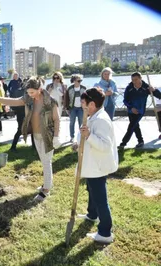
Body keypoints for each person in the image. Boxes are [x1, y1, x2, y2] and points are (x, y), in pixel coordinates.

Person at [0, 76, 61, 201]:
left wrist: (56, 136)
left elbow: (56, 119)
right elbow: (14, 101)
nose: (30, 95)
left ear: (39, 89)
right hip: (36, 135)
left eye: (32, 92)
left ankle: (46, 190)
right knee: (44, 161)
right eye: (28, 92)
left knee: (46, 162)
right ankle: (47, 183)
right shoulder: (29, 98)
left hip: (48, 136)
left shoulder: (51, 101)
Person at [74, 87, 118, 244]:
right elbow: (84, 135)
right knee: (91, 190)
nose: (82, 106)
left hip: (98, 166)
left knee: (100, 198)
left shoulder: (101, 120)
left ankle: (105, 232)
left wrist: (89, 136)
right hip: (92, 165)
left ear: (92, 104)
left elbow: (105, 145)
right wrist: (78, 141)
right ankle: (92, 214)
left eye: (84, 103)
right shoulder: (92, 116)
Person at [119, 72, 161, 149]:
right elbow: (125, 100)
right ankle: (140, 141)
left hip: (140, 111)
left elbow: (159, 96)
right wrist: (131, 107)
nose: (134, 81)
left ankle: (123, 143)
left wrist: (154, 90)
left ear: (141, 78)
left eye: (136, 79)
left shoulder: (146, 87)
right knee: (135, 126)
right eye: (132, 80)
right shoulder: (129, 88)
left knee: (131, 126)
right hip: (131, 111)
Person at [64, 74, 86, 142]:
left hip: (81, 108)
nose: (79, 82)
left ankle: (81, 136)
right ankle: (72, 137)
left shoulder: (84, 88)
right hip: (72, 108)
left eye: (80, 80)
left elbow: (87, 98)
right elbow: (66, 99)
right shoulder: (69, 89)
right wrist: (67, 108)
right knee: (72, 123)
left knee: (81, 123)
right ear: (74, 81)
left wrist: (86, 108)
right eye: (78, 80)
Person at [9, 77, 27, 151]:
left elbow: (12, 103)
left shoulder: (17, 91)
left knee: (20, 129)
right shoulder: (24, 93)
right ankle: (13, 147)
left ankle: (13, 146)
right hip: (23, 113)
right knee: (21, 130)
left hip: (20, 113)